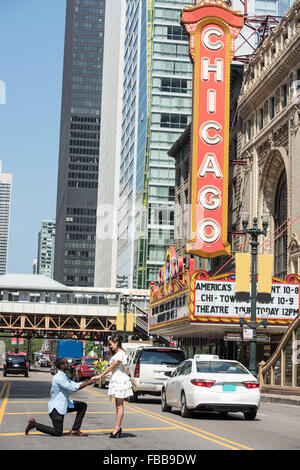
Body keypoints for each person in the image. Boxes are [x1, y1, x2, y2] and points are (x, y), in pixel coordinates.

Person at [25, 357, 101, 437]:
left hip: (64, 405)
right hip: (56, 409)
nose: (68, 364)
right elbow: (73, 389)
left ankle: (75, 429)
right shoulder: (59, 378)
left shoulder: (63, 376)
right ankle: (34, 424)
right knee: (58, 432)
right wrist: (89, 383)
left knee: (82, 406)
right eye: (66, 363)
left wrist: (89, 381)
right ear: (61, 366)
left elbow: (74, 384)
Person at [98, 336, 133, 438]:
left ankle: (117, 428)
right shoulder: (118, 353)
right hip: (117, 379)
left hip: (120, 380)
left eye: (111, 344)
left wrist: (100, 375)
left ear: (116, 342)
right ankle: (117, 428)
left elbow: (112, 367)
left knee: (119, 405)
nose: (110, 346)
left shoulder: (121, 353)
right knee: (118, 405)